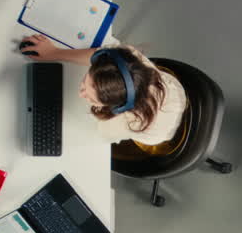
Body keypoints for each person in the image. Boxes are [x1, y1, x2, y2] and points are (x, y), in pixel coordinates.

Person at [18, 34, 188, 149]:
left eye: (91, 99)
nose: (80, 94)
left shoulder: (123, 124)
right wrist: (54, 53)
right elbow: (98, 56)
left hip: (160, 130)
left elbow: (94, 135)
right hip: (172, 90)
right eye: (86, 83)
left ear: (116, 107)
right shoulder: (130, 56)